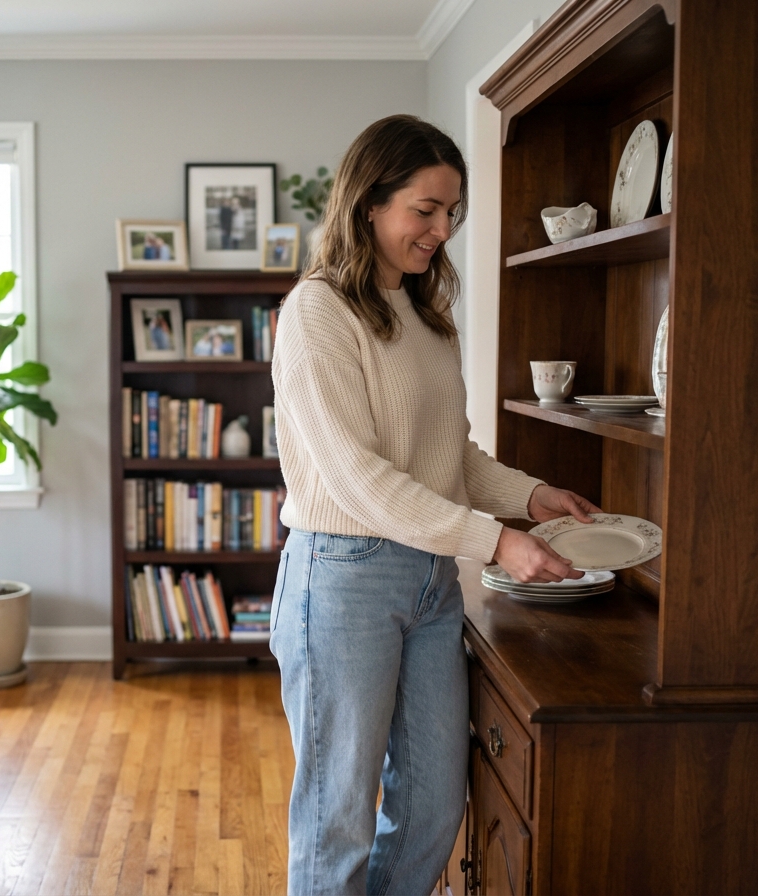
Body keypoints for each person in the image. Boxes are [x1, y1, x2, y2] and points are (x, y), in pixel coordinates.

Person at [269, 114, 600, 896]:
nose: (442, 230)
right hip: (342, 578)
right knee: (337, 816)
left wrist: (532, 497)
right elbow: (357, 477)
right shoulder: (317, 312)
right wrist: (497, 542)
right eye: (426, 210)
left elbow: (451, 457)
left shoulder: (427, 318)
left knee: (430, 804)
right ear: (369, 204)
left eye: (452, 213)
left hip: (428, 580)